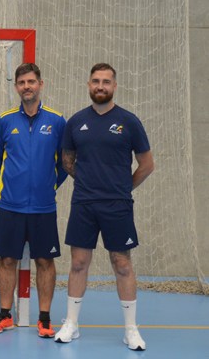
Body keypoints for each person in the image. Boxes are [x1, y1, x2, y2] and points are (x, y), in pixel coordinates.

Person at [55, 63, 154, 351]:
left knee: (122, 264)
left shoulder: (129, 121)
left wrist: (121, 189)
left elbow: (147, 165)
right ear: (88, 84)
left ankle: (131, 330)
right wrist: (88, 183)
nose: (101, 86)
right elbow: (67, 161)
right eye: (96, 81)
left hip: (117, 205)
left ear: (114, 86)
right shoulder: (76, 122)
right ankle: (71, 324)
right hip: (84, 204)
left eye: (106, 81)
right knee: (78, 263)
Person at [0, 63, 67, 337]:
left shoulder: (57, 121)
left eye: (31, 81)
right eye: (22, 82)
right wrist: (14, 187)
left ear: (40, 84)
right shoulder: (5, 120)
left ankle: (44, 318)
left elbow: (65, 163)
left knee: (45, 261)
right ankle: (5, 314)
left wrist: (48, 186)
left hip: (44, 207)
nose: (27, 87)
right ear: (16, 87)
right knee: (7, 260)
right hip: (11, 205)